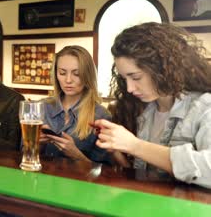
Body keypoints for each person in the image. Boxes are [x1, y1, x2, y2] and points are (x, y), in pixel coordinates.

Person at [94, 22, 211, 188]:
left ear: (162, 69)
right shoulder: (145, 110)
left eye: (136, 77)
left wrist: (135, 145)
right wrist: (118, 151)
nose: (129, 88)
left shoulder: (204, 107)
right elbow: (146, 180)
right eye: (124, 79)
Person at [40, 46, 111, 163]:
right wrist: (37, 145)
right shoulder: (41, 107)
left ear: (88, 75)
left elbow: (103, 172)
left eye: (76, 74)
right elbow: (23, 155)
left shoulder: (100, 115)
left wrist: (76, 155)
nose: (68, 80)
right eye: (62, 73)